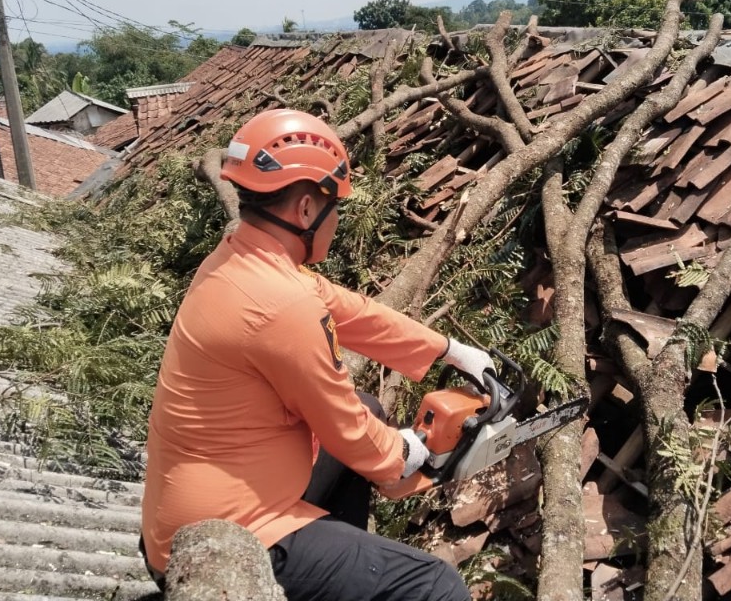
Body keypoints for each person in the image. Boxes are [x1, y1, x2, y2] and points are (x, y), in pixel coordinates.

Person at [140, 108, 493, 601]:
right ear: (306, 210)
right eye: (335, 206)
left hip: (192, 504)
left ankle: (343, 569)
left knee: (372, 408)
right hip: (229, 536)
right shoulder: (281, 305)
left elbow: (350, 310)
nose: (337, 219)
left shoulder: (240, 257)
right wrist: (410, 452)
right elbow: (346, 428)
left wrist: (449, 350)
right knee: (435, 583)